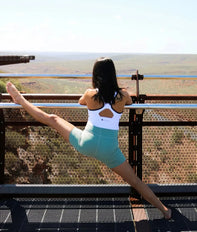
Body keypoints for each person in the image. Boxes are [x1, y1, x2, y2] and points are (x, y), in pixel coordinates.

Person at [6, 57, 171, 219]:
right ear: (113, 74)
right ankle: (165, 210)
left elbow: (80, 102)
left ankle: (19, 99)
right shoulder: (122, 95)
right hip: (110, 151)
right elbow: (129, 101)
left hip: (86, 142)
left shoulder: (90, 94)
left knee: (52, 119)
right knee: (135, 182)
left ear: (95, 75)